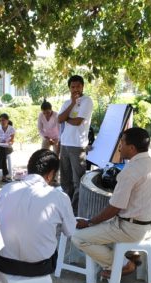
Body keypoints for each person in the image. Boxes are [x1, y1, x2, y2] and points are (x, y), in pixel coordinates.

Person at [71, 127, 151, 279]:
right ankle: (127, 257)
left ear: (132, 148)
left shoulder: (131, 170)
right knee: (100, 229)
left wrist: (89, 223)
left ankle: (121, 265)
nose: (119, 146)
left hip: (131, 229)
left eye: (122, 143)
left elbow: (115, 208)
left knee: (78, 237)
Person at [0, 149, 76, 276]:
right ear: (50, 174)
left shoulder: (7, 189)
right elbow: (70, 231)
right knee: (51, 247)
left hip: (3, 262)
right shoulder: (59, 197)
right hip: (39, 266)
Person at [57, 75, 94, 213]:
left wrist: (67, 119)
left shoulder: (87, 101)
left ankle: (75, 210)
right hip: (65, 144)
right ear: (69, 88)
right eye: (73, 87)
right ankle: (67, 207)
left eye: (78, 86)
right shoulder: (67, 103)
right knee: (65, 180)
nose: (75, 89)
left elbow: (78, 121)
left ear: (83, 86)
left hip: (78, 145)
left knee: (78, 181)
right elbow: (59, 119)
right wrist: (72, 104)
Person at [0, 113, 15, 182]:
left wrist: (10, 143)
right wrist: (2, 143)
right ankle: (4, 176)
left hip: (8, 148)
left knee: (3, 152)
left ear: (7, 121)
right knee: (2, 152)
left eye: (3, 120)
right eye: (0, 120)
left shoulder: (11, 129)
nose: (2, 122)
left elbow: (12, 140)